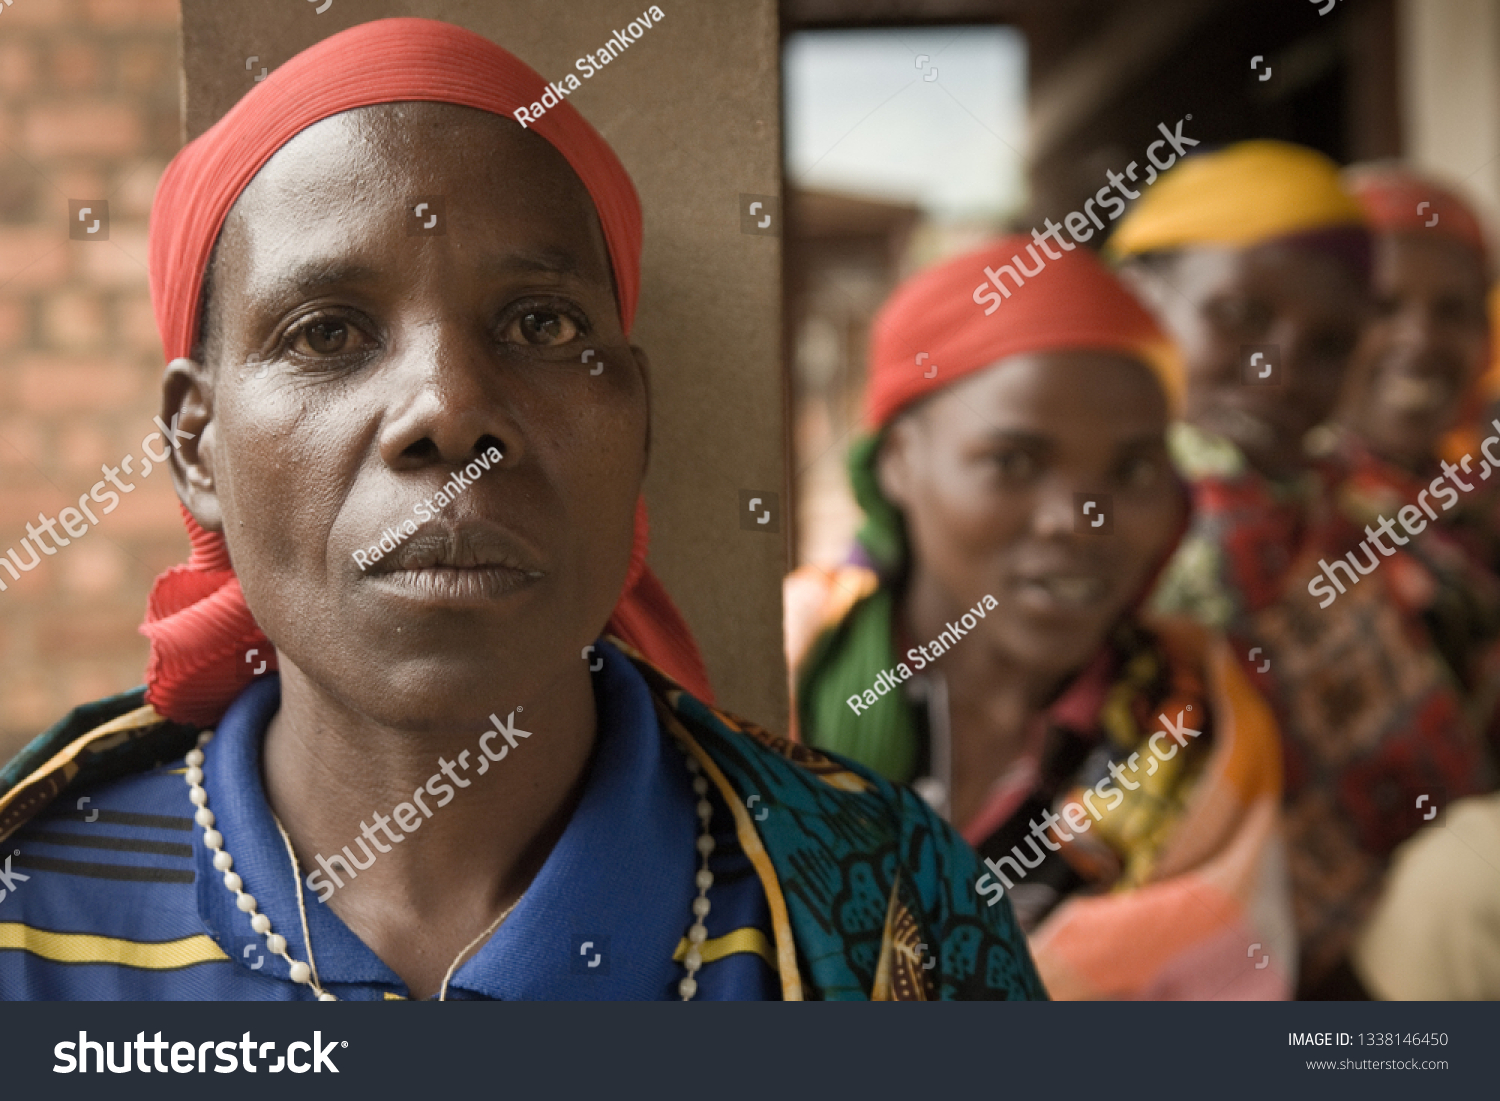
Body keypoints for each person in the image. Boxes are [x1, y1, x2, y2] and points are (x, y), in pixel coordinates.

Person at [0, 18, 1043, 1002]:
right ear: (196, 443)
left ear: (638, 419)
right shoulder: (33, 916)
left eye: (540, 323)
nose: (449, 413)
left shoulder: (897, 909)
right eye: (326, 333)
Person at [786, 239, 1293, 999]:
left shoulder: (1204, 739)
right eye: (1014, 460)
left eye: (1132, 470)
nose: (1081, 520)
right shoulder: (770, 674)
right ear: (898, 461)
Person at [1111, 140, 1496, 997]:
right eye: (1241, 316)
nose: (1278, 367)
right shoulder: (1194, 517)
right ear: (1145, 304)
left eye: (1326, 342)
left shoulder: (1349, 512)